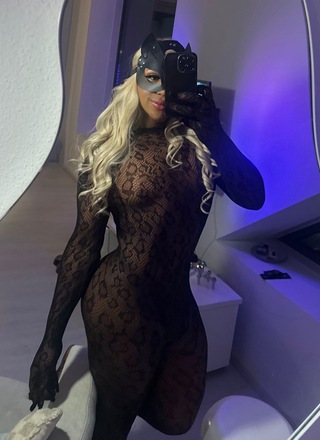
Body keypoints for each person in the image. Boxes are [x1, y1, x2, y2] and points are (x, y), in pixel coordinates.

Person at [28, 34, 265, 439]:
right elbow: (82, 247)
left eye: (172, 81)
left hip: (176, 301)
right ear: (135, 79)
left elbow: (254, 196)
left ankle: (113, 388)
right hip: (119, 302)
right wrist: (50, 342)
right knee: (113, 424)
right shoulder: (110, 149)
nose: (161, 91)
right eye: (152, 77)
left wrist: (215, 132)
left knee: (177, 417)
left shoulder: (200, 144)